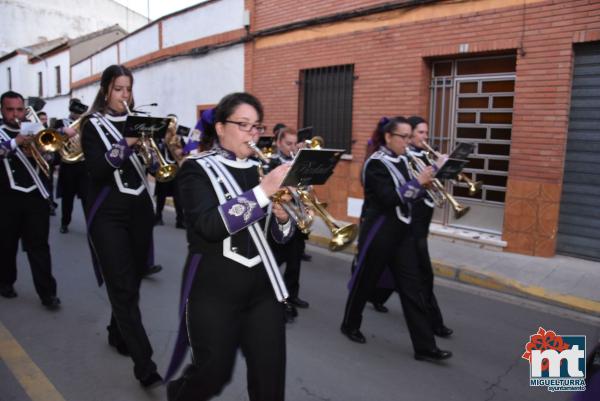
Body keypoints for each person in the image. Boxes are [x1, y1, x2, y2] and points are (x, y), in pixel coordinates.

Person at [166, 92, 294, 401]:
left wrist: (283, 219)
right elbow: (208, 226)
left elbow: (283, 239)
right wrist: (264, 193)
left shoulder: (265, 170)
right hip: (214, 290)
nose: (252, 133)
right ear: (221, 128)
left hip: (263, 291)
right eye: (243, 124)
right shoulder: (196, 169)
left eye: (256, 127)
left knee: (270, 378)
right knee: (214, 374)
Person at [340, 116, 452, 362]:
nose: (407, 141)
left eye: (409, 136)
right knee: (365, 282)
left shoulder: (405, 159)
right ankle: (350, 324)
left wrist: (435, 171)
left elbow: (417, 189)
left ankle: (425, 347)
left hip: (403, 234)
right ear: (389, 137)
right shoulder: (375, 164)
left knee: (413, 289)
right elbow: (389, 199)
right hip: (380, 232)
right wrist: (418, 182)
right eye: (403, 137)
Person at [80, 64, 161, 387]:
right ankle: (146, 366)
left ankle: (117, 331)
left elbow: (155, 166)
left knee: (135, 278)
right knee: (123, 286)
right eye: (118, 89)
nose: (124, 95)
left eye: (128, 89)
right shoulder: (92, 125)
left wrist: (153, 153)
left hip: (140, 211)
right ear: (105, 91)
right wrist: (127, 142)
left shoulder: (139, 121)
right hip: (108, 214)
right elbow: (99, 169)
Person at [0, 91, 61, 309]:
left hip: (36, 197)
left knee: (40, 247)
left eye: (19, 110)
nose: (16, 114)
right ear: (2, 110)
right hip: (7, 198)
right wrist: (16, 142)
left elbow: (52, 157)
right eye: (10, 110)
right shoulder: (1, 132)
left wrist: (45, 152)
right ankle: (6, 282)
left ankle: (48, 294)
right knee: (6, 246)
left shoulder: (35, 130)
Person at [406, 115, 452, 337]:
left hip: (423, 222)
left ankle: (374, 295)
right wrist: (435, 166)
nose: (425, 137)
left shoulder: (424, 154)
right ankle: (434, 324)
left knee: (384, 272)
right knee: (425, 276)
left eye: (426, 132)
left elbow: (433, 185)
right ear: (410, 134)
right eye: (421, 132)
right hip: (411, 224)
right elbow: (413, 189)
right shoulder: (407, 158)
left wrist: (445, 167)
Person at [268, 126, 310, 321]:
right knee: (275, 262)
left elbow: (306, 190)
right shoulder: (271, 163)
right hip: (278, 219)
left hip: (297, 218)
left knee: (295, 262)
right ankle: (276, 300)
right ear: (278, 143)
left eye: (295, 144)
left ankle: (292, 296)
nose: (292, 147)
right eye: (288, 144)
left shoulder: (298, 163)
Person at [54, 99, 88, 233]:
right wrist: (63, 130)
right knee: (67, 198)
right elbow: (53, 135)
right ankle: (65, 223)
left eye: (79, 112)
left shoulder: (86, 124)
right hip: (68, 165)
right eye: (75, 111)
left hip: (83, 164)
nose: (77, 114)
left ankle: (91, 224)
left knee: (87, 197)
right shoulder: (61, 122)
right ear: (71, 110)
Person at [153, 113, 185, 228]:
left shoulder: (178, 137)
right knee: (161, 195)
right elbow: (155, 150)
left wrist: (178, 144)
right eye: (169, 122)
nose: (171, 125)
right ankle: (158, 217)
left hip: (176, 170)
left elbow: (184, 152)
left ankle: (180, 220)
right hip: (163, 168)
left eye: (173, 122)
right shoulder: (159, 136)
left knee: (178, 196)